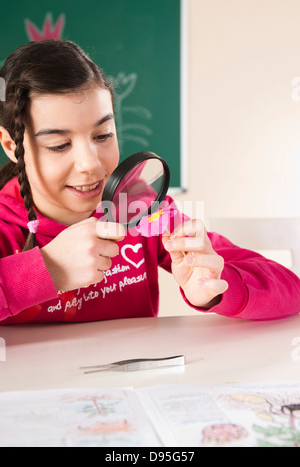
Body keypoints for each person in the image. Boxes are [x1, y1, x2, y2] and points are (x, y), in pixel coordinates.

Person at [0, 39, 299, 325]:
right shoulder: (6, 227)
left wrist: (217, 287)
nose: (90, 164)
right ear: (12, 146)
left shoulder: (141, 209)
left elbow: (291, 289)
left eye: (102, 135)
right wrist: (48, 269)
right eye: (59, 144)